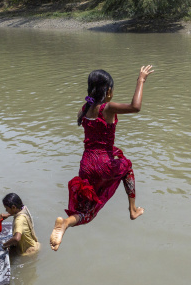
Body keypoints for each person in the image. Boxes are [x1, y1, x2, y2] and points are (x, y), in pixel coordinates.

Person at [50, 65, 154, 251]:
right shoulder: (107, 108)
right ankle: (132, 209)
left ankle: (65, 223)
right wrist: (141, 80)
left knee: (87, 210)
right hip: (103, 163)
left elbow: (95, 138)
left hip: (86, 165)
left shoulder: (85, 108)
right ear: (109, 91)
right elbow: (135, 107)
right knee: (126, 166)